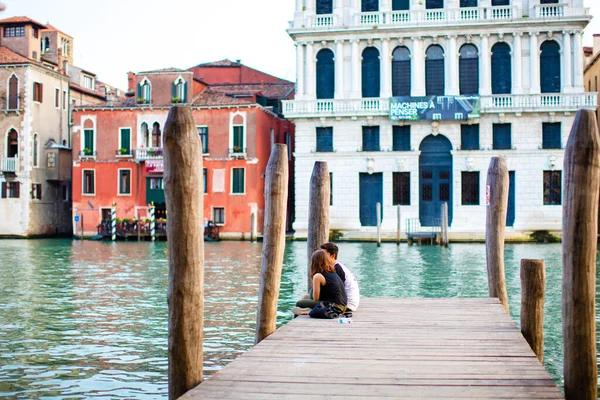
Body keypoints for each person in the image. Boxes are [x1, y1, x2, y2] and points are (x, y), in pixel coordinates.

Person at [293, 249, 347, 316]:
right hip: (342, 306)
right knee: (306, 296)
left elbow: (316, 298)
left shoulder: (318, 276)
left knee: (299, 303)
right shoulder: (332, 272)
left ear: (314, 262)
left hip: (334, 307)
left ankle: (305, 314)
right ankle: (308, 310)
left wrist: (315, 284)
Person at [320, 242, 360, 312]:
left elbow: (337, 291)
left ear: (332, 256)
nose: (321, 257)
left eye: (324, 254)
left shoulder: (337, 268)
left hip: (347, 305)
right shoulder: (337, 266)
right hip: (349, 303)